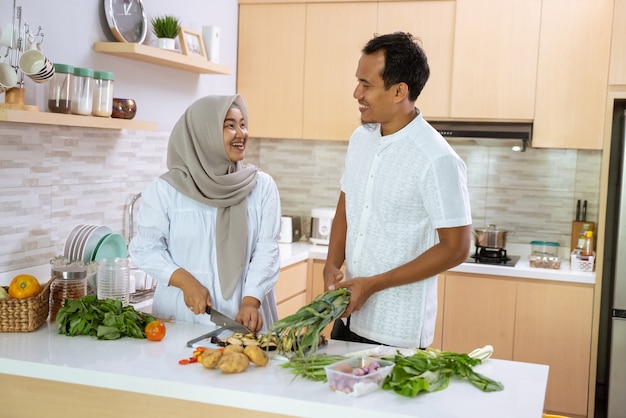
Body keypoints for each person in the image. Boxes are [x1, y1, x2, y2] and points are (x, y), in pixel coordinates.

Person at [323, 32, 472, 348]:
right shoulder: (360, 139)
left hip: (397, 331)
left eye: (366, 84)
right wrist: (331, 264)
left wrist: (374, 285)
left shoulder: (437, 158)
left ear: (399, 91)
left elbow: (456, 248)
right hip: (346, 316)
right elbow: (346, 209)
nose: (356, 93)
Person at [129, 95, 281, 333]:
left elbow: (267, 250)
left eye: (242, 124)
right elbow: (145, 248)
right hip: (183, 316)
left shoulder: (261, 186)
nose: (241, 133)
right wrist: (184, 281)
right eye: (229, 125)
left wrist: (251, 301)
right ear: (203, 133)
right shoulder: (165, 190)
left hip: (246, 319)